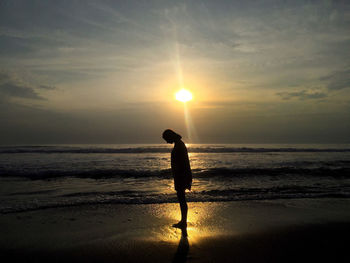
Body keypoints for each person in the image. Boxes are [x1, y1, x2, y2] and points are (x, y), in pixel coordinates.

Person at [162, 129, 192, 229]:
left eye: (166, 139)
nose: (166, 142)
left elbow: (183, 163)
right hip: (181, 175)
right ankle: (183, 221)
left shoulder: (179, 145)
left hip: (181, 176)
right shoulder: (179, 144)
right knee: (181, 198)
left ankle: (184, 222)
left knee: (182, 198)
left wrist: (184, 177)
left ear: (170, 136)